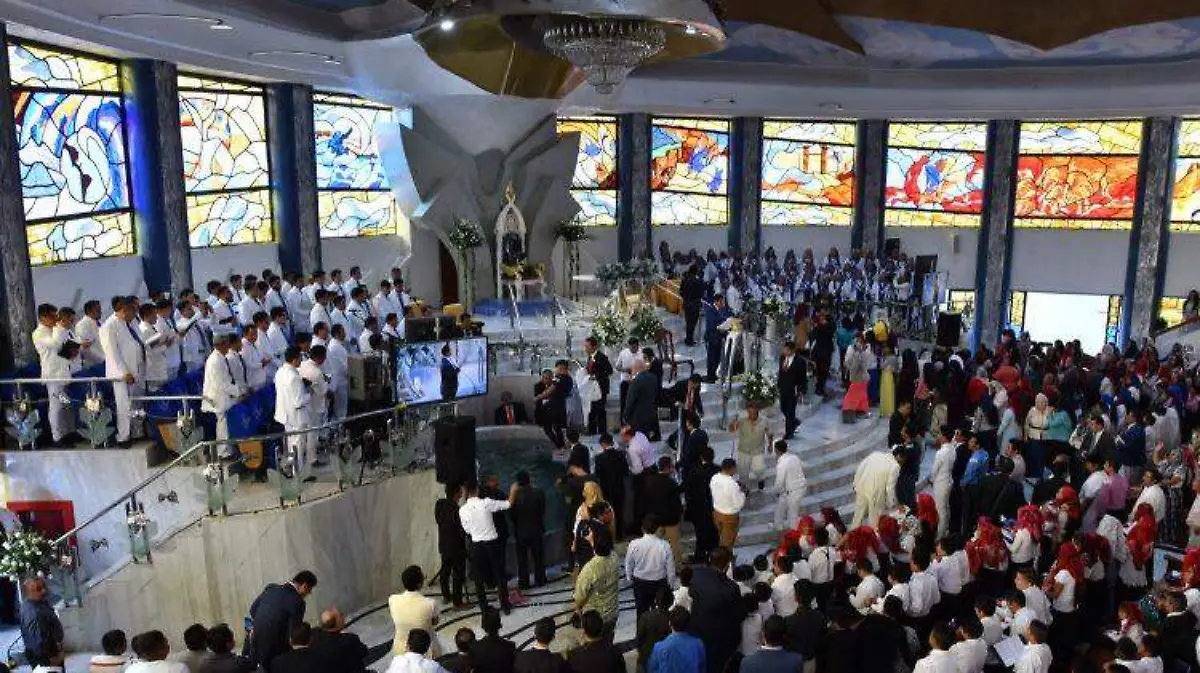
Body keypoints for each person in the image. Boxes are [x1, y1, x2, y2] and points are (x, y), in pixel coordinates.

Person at [460, 481, 517, 614]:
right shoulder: (486, 503)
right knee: (499, 575)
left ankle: (484, 608)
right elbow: (508, 504)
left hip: (476, 546)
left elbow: (467, 530)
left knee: (479, 579)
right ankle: (505, 605)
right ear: (477, 490)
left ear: (466, 492)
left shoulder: (462, 510)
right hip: (492, 544)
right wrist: (513, 490)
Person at [689, 547, 745, 673]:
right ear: (727, 565)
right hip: (718, 641)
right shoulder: (731, 588)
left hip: (696, 633)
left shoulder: (696, 575)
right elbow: (737, 615)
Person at [100, 297, 147, 446]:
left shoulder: (128, 322)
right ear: (124, 310)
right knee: (124, 405)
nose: (135, 313)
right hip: (122, 374)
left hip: (136, 368)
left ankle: (137, 432)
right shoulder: (109, 326)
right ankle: (123, 436)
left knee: (136, 403)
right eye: (133, 310)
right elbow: (112, 353)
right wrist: (124, 372)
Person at [246, 571, 317, 669]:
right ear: (304, 586)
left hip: (254, 646)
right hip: (276, 654)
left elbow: (253, 610)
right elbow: (295, 633)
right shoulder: (298, 601)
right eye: (310, 590)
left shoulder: (271, 588)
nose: (309, 593)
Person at [274, 348, 312, 481]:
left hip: (285, 413)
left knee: (291, 443)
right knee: (298, 445)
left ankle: (290, 467)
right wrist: (309, 394)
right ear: (295, 359)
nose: (301, 360)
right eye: (300, 358)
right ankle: (299, 473)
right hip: (296, 416)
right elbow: (298, 402)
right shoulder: (294, 377)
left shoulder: (280, 371)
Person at [627, 515, 675, 618]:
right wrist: (670, 586)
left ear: (642, 529)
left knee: (641, 612)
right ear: (657, 529)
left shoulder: (634, 544)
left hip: (640, 582)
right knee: (661, 612)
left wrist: (630, 578)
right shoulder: (665, 545)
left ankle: (641, 628)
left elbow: (629, 564)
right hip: (659, 583)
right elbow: (671, 569)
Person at [574, 531, 621, 636]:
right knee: (608, 640)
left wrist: (577, 610)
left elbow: (579, 597)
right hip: (612, 612)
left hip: (594, 620)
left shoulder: (590, 569)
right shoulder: (615, 557)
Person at [643, 456, 685, 569]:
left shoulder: (650, 481)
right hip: (671, 521)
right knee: (674, 545)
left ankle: (657, 565)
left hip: (655, 520)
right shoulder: (672, 484)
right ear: (668, 468)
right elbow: (676, 504)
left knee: (655, 545)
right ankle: (676, 566)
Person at [390, 565, 440, 657]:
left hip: (400, 649)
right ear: (419, 584)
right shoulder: (430, 603)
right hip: (425, 650)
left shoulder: (392, 599)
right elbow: (435, 622)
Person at [511, 470, 548, 589]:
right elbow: (542, 510)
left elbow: (511, 515)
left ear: (518, 482)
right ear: (529, 479)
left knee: (522, 559)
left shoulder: (514, 497)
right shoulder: (539, 492)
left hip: (520, 531)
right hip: (536, 528)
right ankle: (540, 579)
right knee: (538, 556)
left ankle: (524, 582)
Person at [434, 484, 468, 608]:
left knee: (445, 571)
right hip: (456, 547)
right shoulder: (456, 509)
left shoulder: (439, 505)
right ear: (456, 493)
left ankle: (446, 596)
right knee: (458, 574)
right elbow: (460, 530)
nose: (462, 494)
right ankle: (458, 602)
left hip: (444, 545)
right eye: (460, 492)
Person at [686, 446, 721, 562]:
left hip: (698, 508)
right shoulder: (718, 470)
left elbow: (688, 489)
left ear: (701, 457)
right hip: (714, 507)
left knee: (700, 533)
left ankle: (700, 556)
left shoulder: (694, 470)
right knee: (714, 533)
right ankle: (715, 556)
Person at [851, 449, 901, 528]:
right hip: (877, 495)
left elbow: (861, 467)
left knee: (858, 517)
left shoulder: (875, 455)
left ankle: (853, 533)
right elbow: (890, 488)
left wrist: (855, 483)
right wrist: (893, 504)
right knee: (875, 522)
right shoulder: (895, 466)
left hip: (863, 487)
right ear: (900, 457)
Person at [20, 578, 63, 669]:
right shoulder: (33, 612)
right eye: (38, 589)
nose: (44, 591)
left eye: (44, 586)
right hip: (46, 659)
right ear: (29, 592)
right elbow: (38, 641)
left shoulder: (39, 603)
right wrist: (51, 658)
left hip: (49, 654)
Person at [593, 434, 629, 540]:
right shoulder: (621, 455)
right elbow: (626, 472)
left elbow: (597, 474)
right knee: (619, 512)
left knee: (606, 512)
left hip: (606, 489)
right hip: (619, 488)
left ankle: (608, 535)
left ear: (602, 444)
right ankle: (619, 535)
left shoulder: (599, 458)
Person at [648, 607, 706, 673]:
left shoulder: (659, 647)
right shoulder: (698, 645)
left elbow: (652, 670)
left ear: (670, 623)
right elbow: (702, 669)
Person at [771, 440, 807, 531]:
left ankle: (793, 533)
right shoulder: (794, 457)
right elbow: (803, 466)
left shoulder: (782, 464)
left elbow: (779, 481)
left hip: (794, 491)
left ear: (777, 451)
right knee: (781, 506)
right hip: (798, 487)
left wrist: (775, 492)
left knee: (792, 514)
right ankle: (778, 525)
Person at [711, 459, 747, 549]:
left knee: (721, 537)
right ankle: (726, 556)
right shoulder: (732, 484)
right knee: (728, 541)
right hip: (729, 516)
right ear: (732, 469)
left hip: (717, 512)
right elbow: (739, 504)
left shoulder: (714, 478)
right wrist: (743, 493)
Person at [638, 588, 674, 672]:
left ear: (656, 601)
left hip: (648, 657)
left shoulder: (645, 617)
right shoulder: (674, 619)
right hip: (667, 658)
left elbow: (639, 639)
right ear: (671, 602)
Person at [625, 358, 661, 441]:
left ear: (635, 368)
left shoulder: (636, 381)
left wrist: (626, 414)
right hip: (651, 413)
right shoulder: (653, 377)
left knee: (639, 439)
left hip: (638, 417)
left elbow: (630, 400)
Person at [583, 337, 613, 436]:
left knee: (600, 409)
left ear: (594, 346)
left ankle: (602, 431)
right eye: (585, 346)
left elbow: (609, 371)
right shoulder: (590, 357)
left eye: (587, 346)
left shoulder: (601, 357)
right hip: (592, 388)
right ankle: (592, 430)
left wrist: (596, 376)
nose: (585, 348)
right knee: (592, 409)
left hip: (601, 388)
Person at [778, 340, 806, 440]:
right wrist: (779, 384)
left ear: (792, 350)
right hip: (783, 388)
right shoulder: (782, 358)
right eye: (784, 349)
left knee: (790, 411)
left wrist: (801, 389)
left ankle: (789, 432)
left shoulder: (800, 361)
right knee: (783, 408)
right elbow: (780, 372)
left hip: (793, 389)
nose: (784, 351)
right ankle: (794, 422)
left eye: (786, 350)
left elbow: (803, 377)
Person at [616, 337, 641, 420]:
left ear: (637, 346)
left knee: (637, 404)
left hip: (637, 382)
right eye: (631, 347)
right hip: (625, 381)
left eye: (634, 347)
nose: (632, 349)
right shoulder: (623, 353)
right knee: (624, 403)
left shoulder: (641, 353)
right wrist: (625, 369)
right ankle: (623, 422)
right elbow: (617, 366)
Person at [681, 265, 705, 346]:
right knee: (692, 323)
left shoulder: (685, 280)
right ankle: (689, 339)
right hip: (695, 305)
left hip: (687, 304)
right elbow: (701, 293)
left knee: (688, 322)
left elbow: (681, 292)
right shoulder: (699, 281)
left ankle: (689, 338)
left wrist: (686, 298)